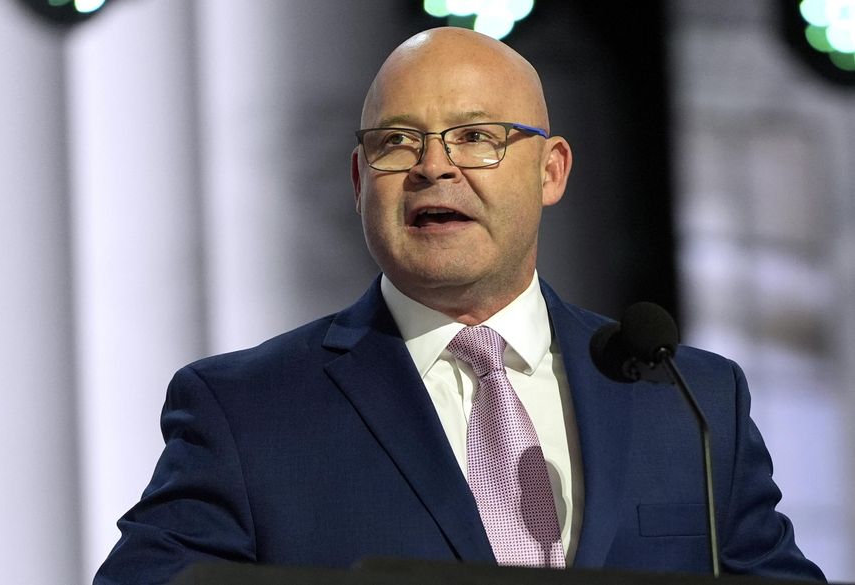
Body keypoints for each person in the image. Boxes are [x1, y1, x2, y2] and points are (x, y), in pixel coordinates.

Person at [94, 27, 825, 584]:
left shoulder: (691, 401)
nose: (433, 166)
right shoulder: (246, 410)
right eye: (398, 141)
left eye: (476, 137)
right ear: (359, 179)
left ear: (551, 170)